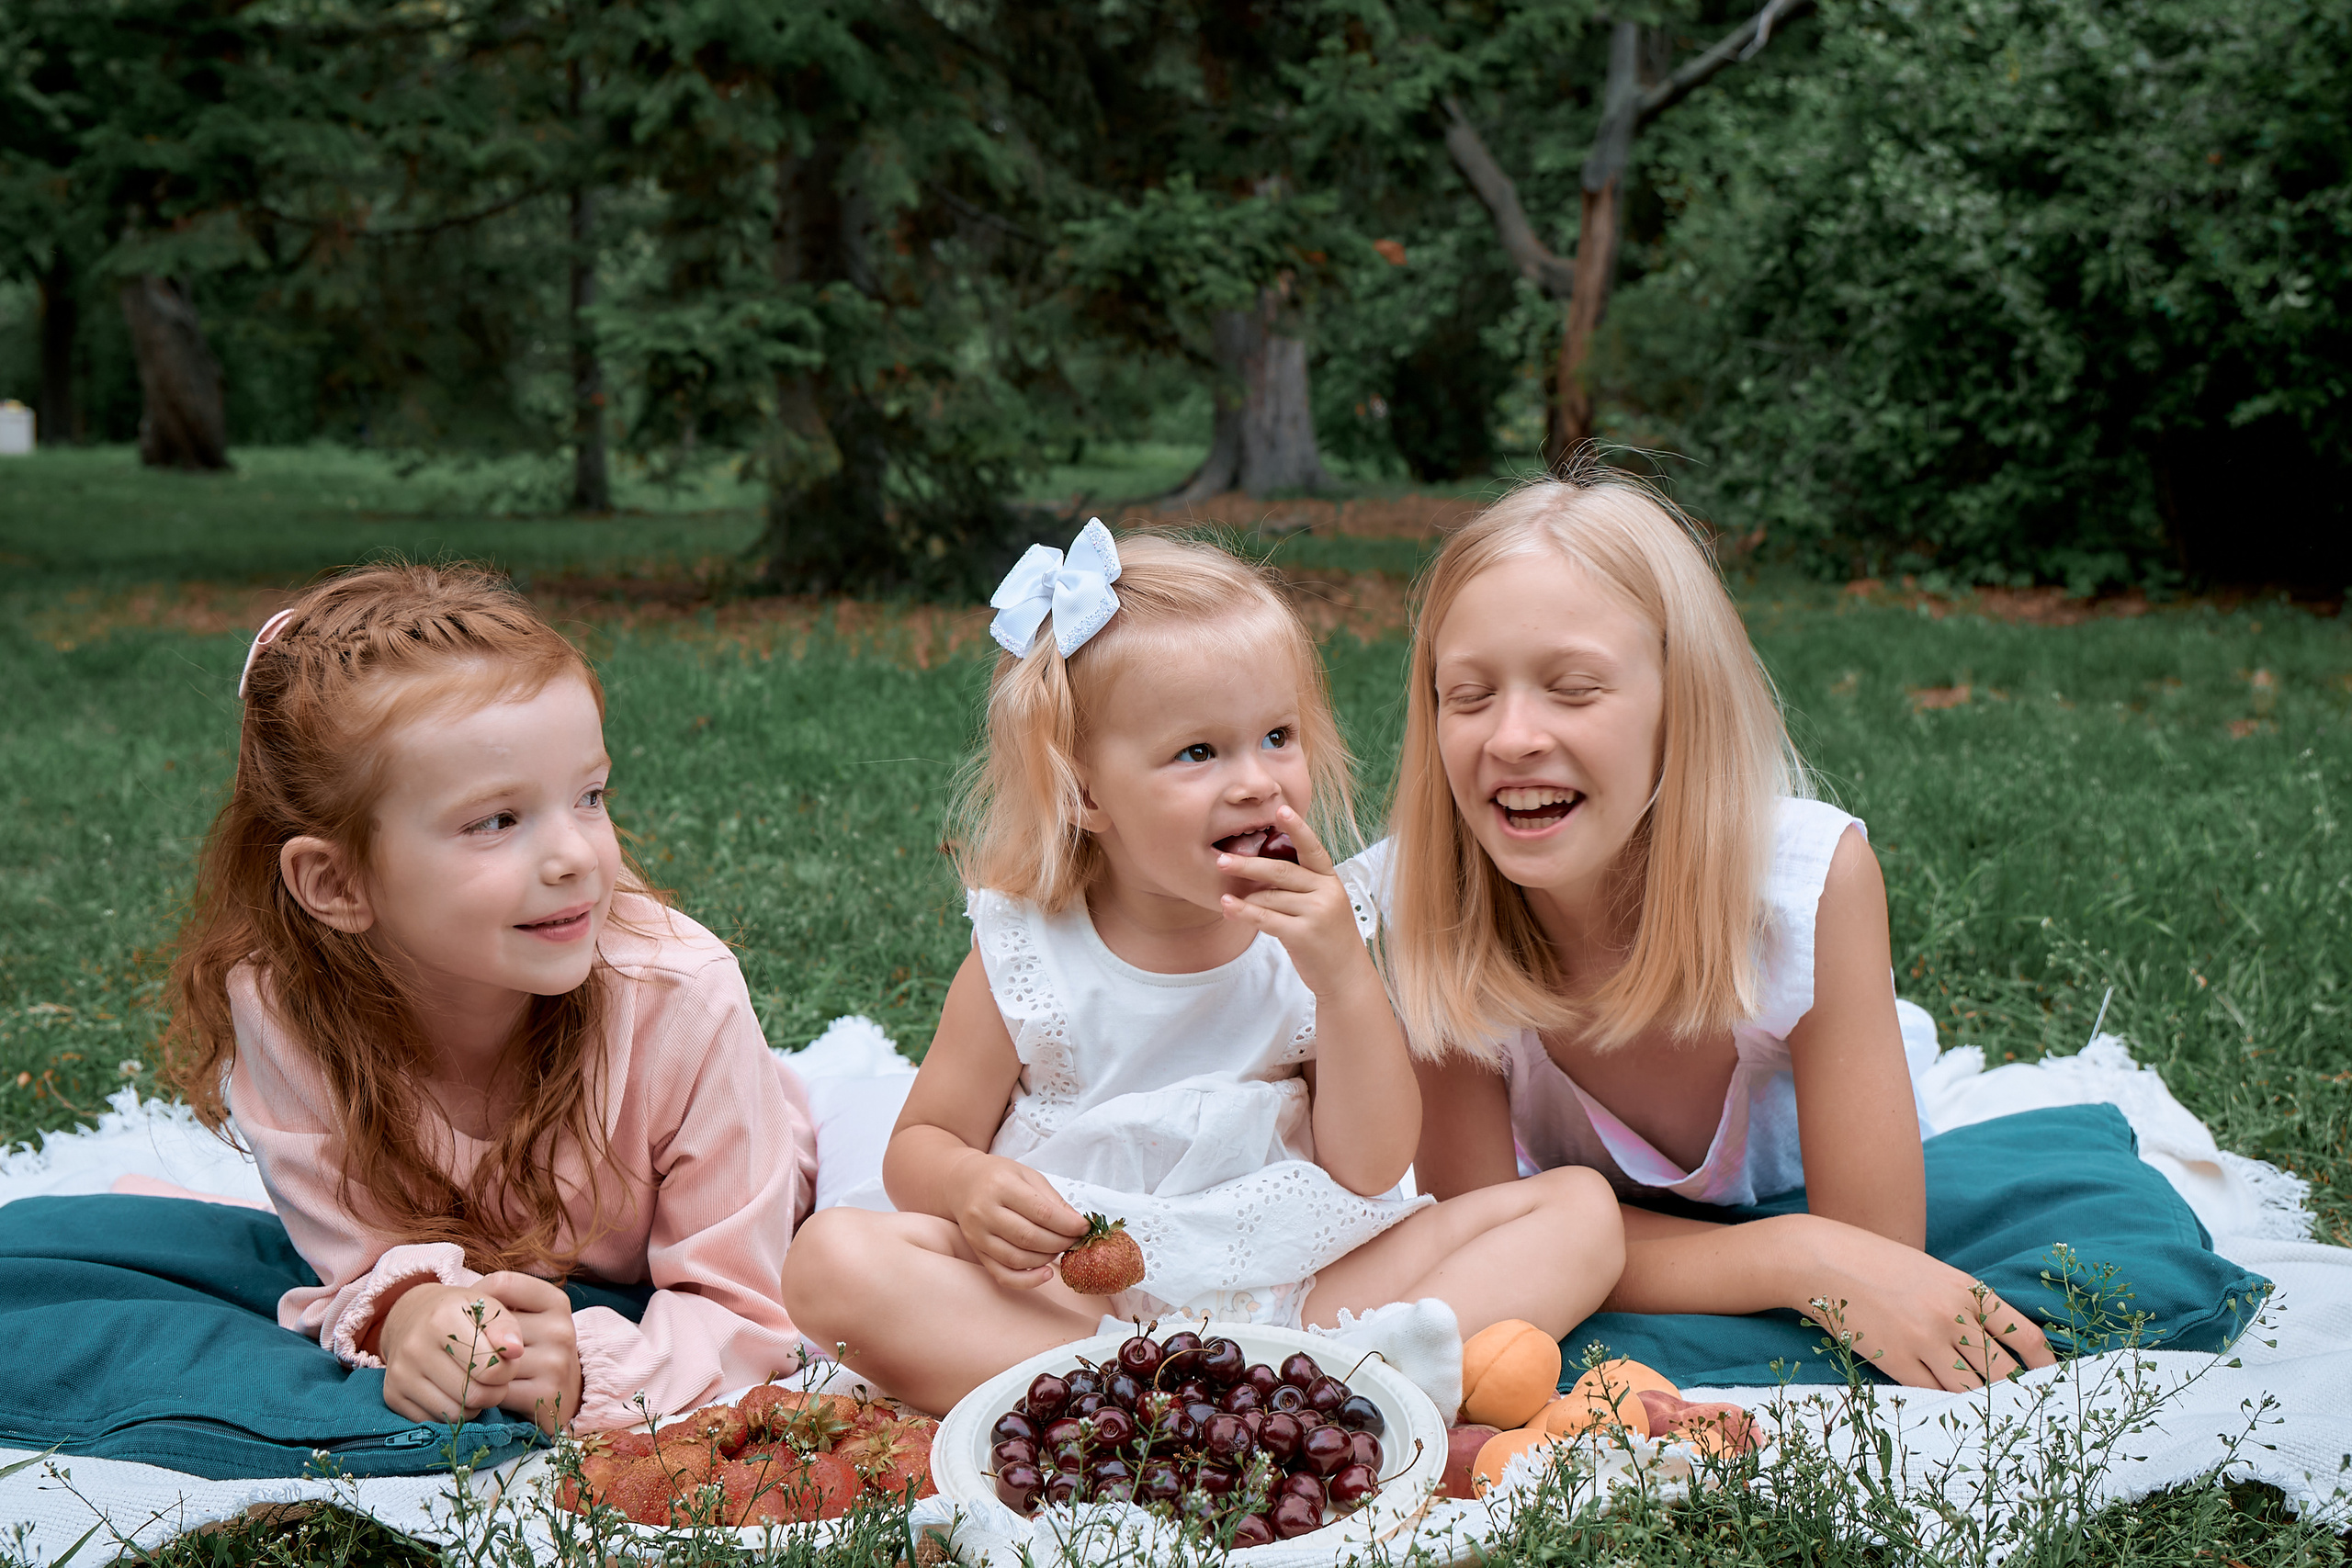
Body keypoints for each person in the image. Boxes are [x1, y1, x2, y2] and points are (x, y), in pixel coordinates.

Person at [782, 525, 1623, 1414]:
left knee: (1578, 1212)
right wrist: (968, 1185)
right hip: (1084, 1301)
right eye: (1199, 752)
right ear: (1084, 792)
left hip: (1304, 1282)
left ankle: (1257, 1393)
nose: (1257, 782)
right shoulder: (1030, 954)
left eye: (1276, 736)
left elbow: (1373, 1168)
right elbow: (922, 1146)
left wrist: (1341, 976)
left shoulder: (1314, 935)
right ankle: (1190, 1398)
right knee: (832, 1261)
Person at [1363, 469, 2058, 1393]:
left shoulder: (1805, 889)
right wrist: (1794, 1260)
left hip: (1756, 1189)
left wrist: (1820, 1251)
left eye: (1573, 689)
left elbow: (1880, 1258)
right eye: (1468, 694)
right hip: (1591, 1222)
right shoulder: (1420, 901)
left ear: (1679, 707)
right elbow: (1489, 1235)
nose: (1512, 737)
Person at [161, 564, 818, 1434]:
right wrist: (405, 1311)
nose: (575, 857)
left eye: (589, 796)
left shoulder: (682, 1000)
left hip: (735, 1177)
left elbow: (749, 1315)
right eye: (496, 820)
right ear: (335, 880)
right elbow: (355, 1255)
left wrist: (592, 1369)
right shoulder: (285, 1004)